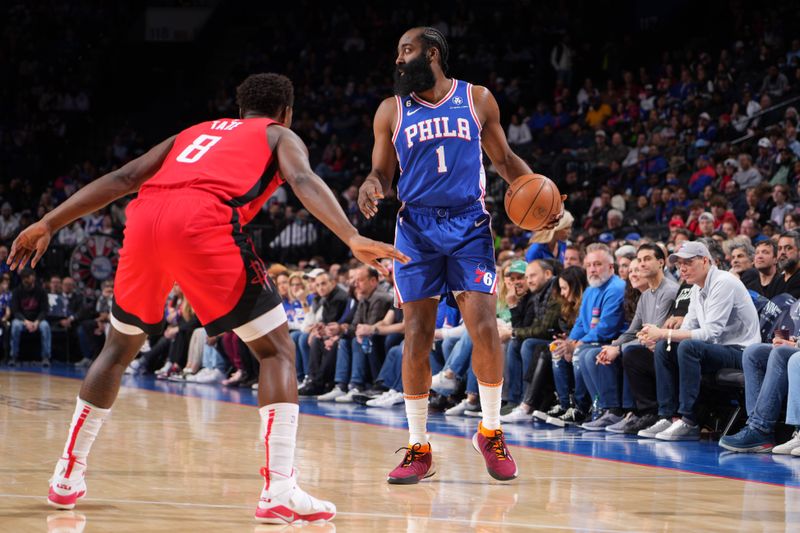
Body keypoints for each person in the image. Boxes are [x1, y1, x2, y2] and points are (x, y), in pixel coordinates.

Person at [8, 73, 408, 524]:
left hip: (144, 221)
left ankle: (66, 475)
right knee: (276, 350)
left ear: (240, 111)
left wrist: (49, 222)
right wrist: (352, 236)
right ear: (287, 112)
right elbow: (302, 178)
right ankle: (279, 488)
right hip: (203, 221)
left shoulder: (192, 132)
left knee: (117, 349)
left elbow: (124, 177)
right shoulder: (279, 134)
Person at [358, 26, 563, 485]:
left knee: (486, 327)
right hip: (416, 230)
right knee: (416, 334)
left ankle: (490, 431)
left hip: (469, 223)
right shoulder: (391, 111)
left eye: (406, 50)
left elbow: (506, 161)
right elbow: (379, 172)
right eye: (397, 52)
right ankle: (418, 446)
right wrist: (371, 184)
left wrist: (543, 200)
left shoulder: (477, 98)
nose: (399, 59)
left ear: (431, 53)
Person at [637, 241, 760, 441]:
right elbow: (688, 327)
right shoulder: (695, 288)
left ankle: (690, 420)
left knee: (687, 346)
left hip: (741, 352)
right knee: (663, 348)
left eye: (688, 262)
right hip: (717, 349)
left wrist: (662, 332)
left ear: (705, 261)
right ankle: (668, 416)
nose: (682, 268)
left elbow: (710, 333)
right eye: (679, 265)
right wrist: (660, 337)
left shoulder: (724, 281)